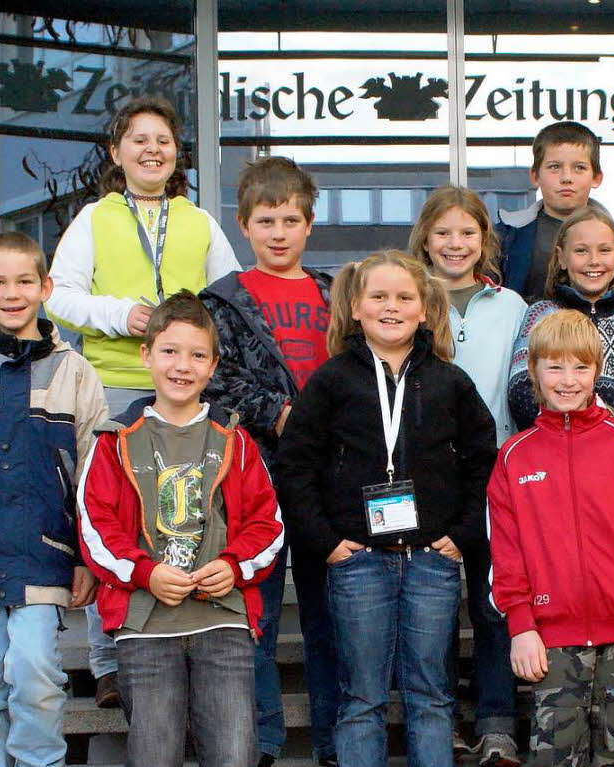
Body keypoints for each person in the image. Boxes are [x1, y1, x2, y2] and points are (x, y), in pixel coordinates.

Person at [47, 95, 240, 708]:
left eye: (163, 140)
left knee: (179, 514)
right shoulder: (93, 219)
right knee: (114, 518)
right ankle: (108, 660)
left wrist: (196, 348)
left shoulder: (199, 221)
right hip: (115, 387)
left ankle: (183, 628)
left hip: (185, 387)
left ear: (176, 154)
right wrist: (117, 314)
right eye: (139, 139)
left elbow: (228, 301)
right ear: (116, 152)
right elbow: (60, 296)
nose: (152, 150)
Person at [279, 250, 498, 767]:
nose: (391, 307)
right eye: (378, 296)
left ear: (425, 308)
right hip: (357, 564)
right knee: (361, 700)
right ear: (356, 307)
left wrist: (462, 535)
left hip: (431, 561)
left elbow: (484, 461)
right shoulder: (331, 381)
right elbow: (295, 466)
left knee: (432, 697)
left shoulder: (450, 381)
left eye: (405, 297)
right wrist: (328, 543)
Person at [77, 290, 284, 767]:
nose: (182, 366)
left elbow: (267, 523)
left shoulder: (235, 440)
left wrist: (234, 566)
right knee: (155, 753)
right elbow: (95, 526)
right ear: (147, 355)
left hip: (223, 618)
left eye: (197, 355)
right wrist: (144, 573)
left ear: (213, 366)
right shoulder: (116, 440)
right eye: (169, 351)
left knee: (234, 754)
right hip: (145, 623)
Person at [487, 309, 614, 766]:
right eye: (554, 366)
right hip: (550, 640)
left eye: (580, 366)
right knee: (555, 757)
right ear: (533, 371)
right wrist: (520, 625)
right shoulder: (514, 457)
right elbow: (505, 551)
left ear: (598, 371)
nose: (567, 380)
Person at [199, 156, 336, 767]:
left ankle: (337, 739)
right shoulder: (224, 300)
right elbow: (214, 378)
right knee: (252, 611)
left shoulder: (337, 292)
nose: (278, 233)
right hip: (254, 472)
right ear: (242, 225)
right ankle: (260, 741)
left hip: (329, 478)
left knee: (328, 615)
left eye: (289, 220)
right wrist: (282, 415)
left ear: (309, 224)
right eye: (264, 221)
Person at [0, 232, 107, 767]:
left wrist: (88, 557)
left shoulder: (76, 373)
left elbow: (93, 479)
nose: (11, 293)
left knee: (37, 675)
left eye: (24, 281)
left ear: (46, 287)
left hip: (45, 557)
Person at [408, 186, 527, 765]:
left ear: (485, 240)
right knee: (429, 607)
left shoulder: (511, 306)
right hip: (426, 477)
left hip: (497, 473)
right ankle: (438, 719)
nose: (455, 244)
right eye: (444, 232)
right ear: (425, 238)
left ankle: (496, 721)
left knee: (491, 601)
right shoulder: (408, 299)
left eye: (467, 233)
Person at [507, 201, 614, 438]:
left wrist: (613, 435)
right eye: (581, 251)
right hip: (552, 451)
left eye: (604, 250)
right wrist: (566, 433)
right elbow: (521, 388)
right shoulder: (540, 317)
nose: (593, 260)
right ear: (562, 258)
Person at [495, 121, 614, 306]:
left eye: (579, 168)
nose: (566, 178)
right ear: (535, 176)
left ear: (596, 177)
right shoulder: (505, 239)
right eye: (554, 167)